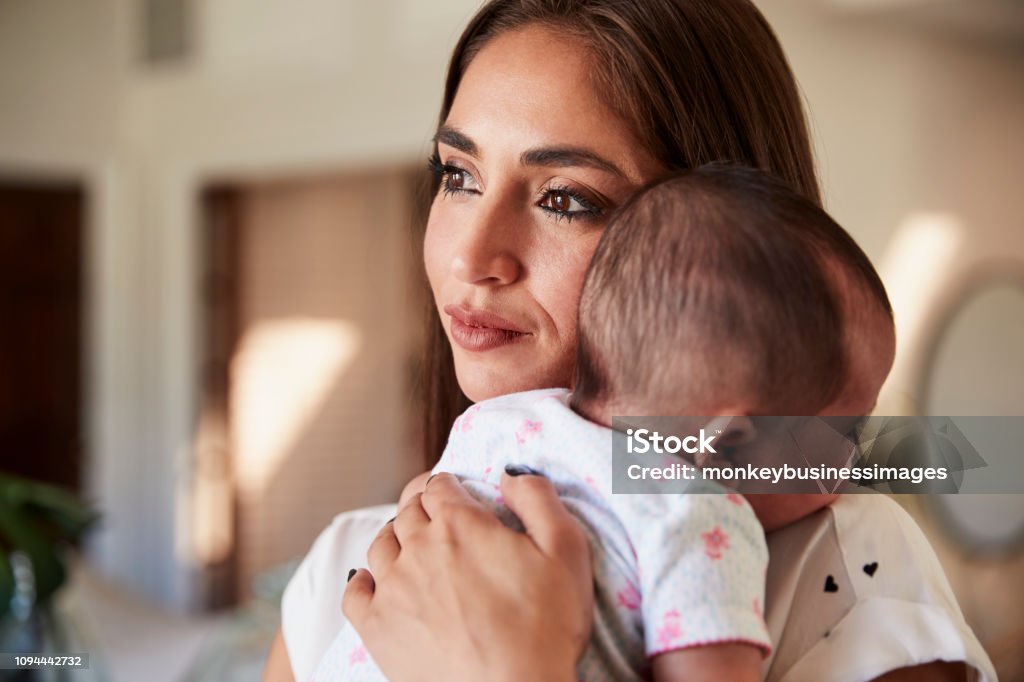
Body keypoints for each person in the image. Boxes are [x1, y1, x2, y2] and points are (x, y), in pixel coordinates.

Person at [262, 1, 995, 680]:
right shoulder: (340, 570)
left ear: (726, 247)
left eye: (565, 199)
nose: (470, 258)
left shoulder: (854, 571)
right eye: (458, 175)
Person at [314, 166, 861, 681]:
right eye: (845, 427)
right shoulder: (702, 517)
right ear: (730, 435)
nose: (857, 455)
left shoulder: (499, 422)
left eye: (563, 200)